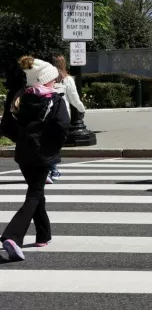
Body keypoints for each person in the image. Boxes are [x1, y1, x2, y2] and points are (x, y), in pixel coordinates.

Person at [0, 56, 70, 262]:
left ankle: (43, 234)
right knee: (34, 194)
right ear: (45, 80)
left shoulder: (18, 97)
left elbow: (6, 126)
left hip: (23, 153)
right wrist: (53, 144)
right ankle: (12, 237)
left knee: (37, 191)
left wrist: (22, 139)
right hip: (44, 154)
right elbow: (63, 126)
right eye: (52, 79)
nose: (55, 82)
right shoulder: (54, 100)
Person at [49, 54, 84, 184]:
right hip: (62, 115)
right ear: (64, 64)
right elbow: (74, 98)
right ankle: (53, 169)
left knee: (48, 142)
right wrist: (82, 109)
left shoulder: (44, 79)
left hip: (46, 114)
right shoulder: (67, 79)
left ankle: (50, 169)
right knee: (56, 144)